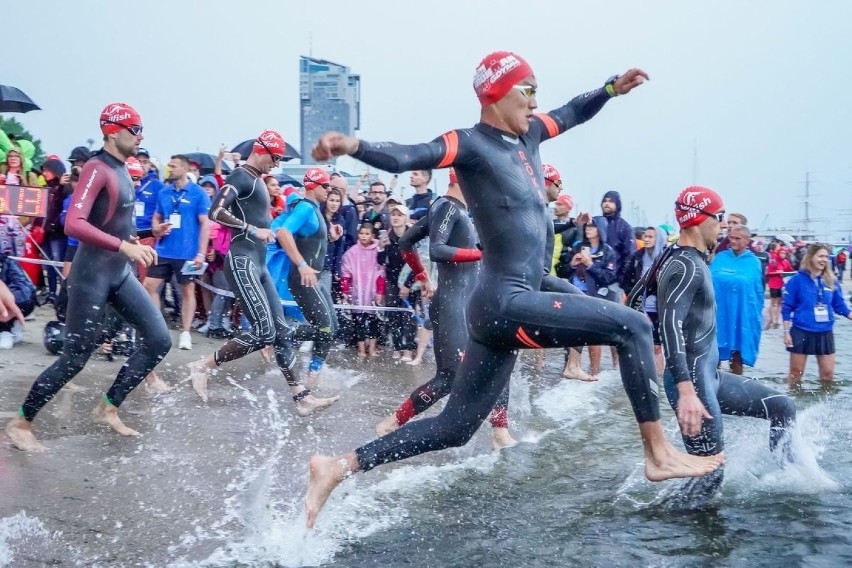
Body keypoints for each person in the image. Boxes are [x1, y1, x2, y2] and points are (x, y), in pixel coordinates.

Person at [305, 51, 723, 527]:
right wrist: (352, 145)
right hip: (506, 302)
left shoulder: (532, 134)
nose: (536, 100)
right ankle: (659, 452)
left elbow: (572, 111)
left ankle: (337, 466)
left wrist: (610, 89)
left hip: (502, 307)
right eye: (528, 90)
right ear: (497, 94)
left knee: (456, 428)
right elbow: (407, 155)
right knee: (630, 324)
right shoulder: (468, 144)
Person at [5, 103, 171, 452]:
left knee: (158, 340)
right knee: (74, 359)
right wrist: (125, 249)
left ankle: (108, 408)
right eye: (135, 128)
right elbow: (74, 224)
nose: (141, 135)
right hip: (91, 275)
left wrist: (145, 233)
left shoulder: (123, 170)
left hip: (118, 273)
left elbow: (113, 222)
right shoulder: (97, 168)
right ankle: (21, 422)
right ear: (113, 131)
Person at [646, 186, 796, 505]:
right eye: (720, 216)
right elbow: (668, 323)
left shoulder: (685, 260)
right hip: (693, 385)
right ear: (700, 220)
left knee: (783, 406)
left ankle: (788, 480)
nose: (724, 224)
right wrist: (686, 391)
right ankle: (661, 528)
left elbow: (635, 302)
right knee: (710, 476)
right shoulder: (685, 266)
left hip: (710, 378)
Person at [187, 131, 338, 415]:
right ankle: (202, 366)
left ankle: (301, 397)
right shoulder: (242, 177)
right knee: (264, 331)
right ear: (262, 150)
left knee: (281, 331)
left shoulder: (257, 182)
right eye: (276, 157)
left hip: (258, 264)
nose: (277, 164)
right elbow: (215, 211)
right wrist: (252, 229)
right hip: (241, 260)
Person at [376, 172, 516, 448]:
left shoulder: (455, 210)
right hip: (452, 304)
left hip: (468, 304)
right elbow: (438, 250)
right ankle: (393, 422)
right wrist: (480, 254)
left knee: (499, 361)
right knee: (450, 377)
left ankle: (500, 432)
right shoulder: (447, 207)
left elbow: (405, 242)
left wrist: (422, 277)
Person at [275, 167, 342, 376]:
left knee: (333, 326)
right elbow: (283, 233)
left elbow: (310, 242)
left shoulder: (315, 210)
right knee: (325, 328)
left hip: (317, 278)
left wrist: (330, 238)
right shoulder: (304, 208)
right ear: (313, 186)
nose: (329, 190)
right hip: (303, 279)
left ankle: (313, 373)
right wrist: (302, 265)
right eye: (326, 186)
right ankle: (279, 334)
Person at [143, 154, 211, 350]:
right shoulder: (164, 192)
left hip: (187, 252)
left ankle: (186, 333)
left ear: (184, 169)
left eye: (173, 166)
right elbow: (156, 217)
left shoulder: (198, 193)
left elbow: (205, 224)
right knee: (149, 285)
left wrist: (201, 253)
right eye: (169, 166)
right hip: (164, 249)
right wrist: (157, 227)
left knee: (187, 291)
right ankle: (157, 328)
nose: (169, 169)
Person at [557, 218, 618, 379]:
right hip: (573, 293)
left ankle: (594, 372)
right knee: (571, 332)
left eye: (592, 226)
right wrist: (571, 264)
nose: (588, 229)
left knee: (592, 336)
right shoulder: (577, 246)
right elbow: (561, 271)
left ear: (601, 230)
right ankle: (570, 368)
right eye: (587, 226)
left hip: (594, 297)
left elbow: (608, 278)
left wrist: (590, 265)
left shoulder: (608, 252)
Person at [783, 243, 852, 385]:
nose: (824, 260)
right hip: (801, 331)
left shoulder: (831, 281)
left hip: (825, 332)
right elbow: (787, 307)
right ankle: (794, 403)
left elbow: (840, 307)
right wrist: (786, 332)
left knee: (828, 375)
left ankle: (824, 405)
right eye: (820, 256)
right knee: (796, 374)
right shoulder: (797, 280)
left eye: (826, 257)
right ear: (810, 257)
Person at [709, 224, 763, 375]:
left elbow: (755, 291)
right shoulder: (720, 257)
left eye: (737, 238)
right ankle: (711, 387)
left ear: (747, 240)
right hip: (720, 312)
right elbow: (709, 280)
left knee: (737, 355)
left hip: (741, 312)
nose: (733, 241)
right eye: (731, 237)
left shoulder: (753, 262)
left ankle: (737, 389)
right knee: (714, 353)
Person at [621, 226, 668, 375]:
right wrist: (635, 297)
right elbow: (625, 281)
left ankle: (657, 378)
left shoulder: (666, 259)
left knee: (657, 346)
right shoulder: (636, 257)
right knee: (637, 343)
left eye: (650, 237)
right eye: (645, 236)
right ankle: (638, 374)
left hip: (659, 309)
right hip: (639, 308)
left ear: (658, 239)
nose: (646, 239)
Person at [340, 223, 385, 359]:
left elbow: (381, 272)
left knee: (373, 320)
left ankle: (371, 348)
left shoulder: (378, 250)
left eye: (367, 234)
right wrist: (345, 291)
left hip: (373, 291)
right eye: (361, 233)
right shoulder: (352, 252)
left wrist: (380, 291)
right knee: (359, 320)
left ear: (372, 235)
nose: (364, 236)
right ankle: (361, 350)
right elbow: (346, 273)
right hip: (357, 291)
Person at [766, 246, 794, 329]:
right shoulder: (774, 261)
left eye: (784, 253)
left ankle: (776, 321)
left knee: (780, 303)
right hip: (774, 284)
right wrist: (776, 272)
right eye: (781, 252)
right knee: (773, 303)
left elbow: (791, 271)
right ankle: (772, 319)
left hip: (782, 285)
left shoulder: (786, 262)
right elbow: (768, 272)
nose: (783, 254)